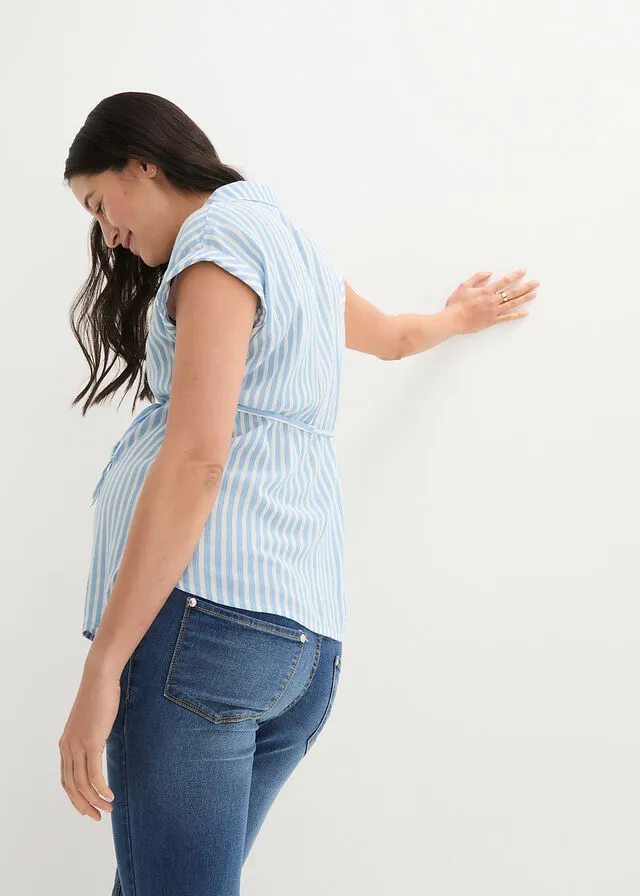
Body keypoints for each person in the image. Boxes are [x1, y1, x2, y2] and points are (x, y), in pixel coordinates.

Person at [58, 91, 538, 896]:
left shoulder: (215, 242)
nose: (105, 230)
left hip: (201, 633)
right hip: (299, 647)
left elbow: (199, 458)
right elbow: (389, 337)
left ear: (145, 162)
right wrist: (458, 318)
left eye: (101, 203)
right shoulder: (294, 249)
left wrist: (104, 664)